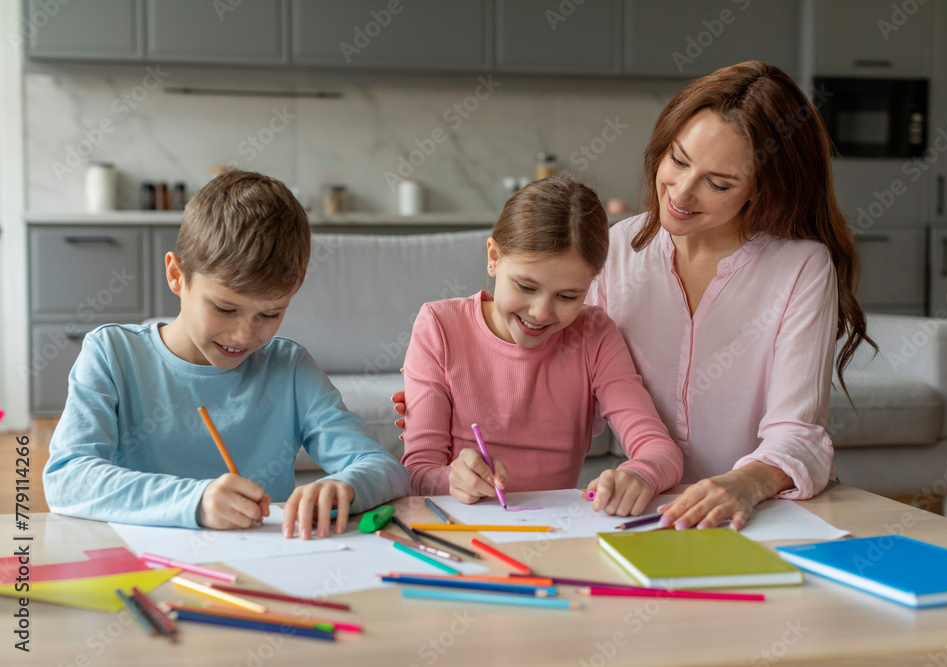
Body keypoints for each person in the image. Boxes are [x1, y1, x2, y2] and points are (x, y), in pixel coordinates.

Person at [395, 61, 872, 531]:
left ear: (764, 190)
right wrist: (451, 392)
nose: (681, 193)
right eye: (679, 160)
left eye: (719, 183)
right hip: (648, 514)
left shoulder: (800, 267)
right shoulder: (618, 248)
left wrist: (742, 484)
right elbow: (569, 369)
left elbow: (796, 431)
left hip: (759, 509)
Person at [43, 170, 409, 538]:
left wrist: (345, 486)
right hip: (145, 563)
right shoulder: (112, 355)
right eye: (224, 308)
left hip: (266, 567)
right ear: (176, 275)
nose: (244, 334)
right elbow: (67, 477)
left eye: (269, 314)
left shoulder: (290, 368)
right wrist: (195, 500)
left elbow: (384, 467)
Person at [401, 175, 684, 516]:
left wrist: (640, 474)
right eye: (525, 286)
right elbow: (417, 472)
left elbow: (659, 450)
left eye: (568, 296)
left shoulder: (594, 334)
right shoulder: (439, 326)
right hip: (463, 523)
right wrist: (452, 479)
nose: (540, 313)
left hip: (555, 527)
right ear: (493, 257)